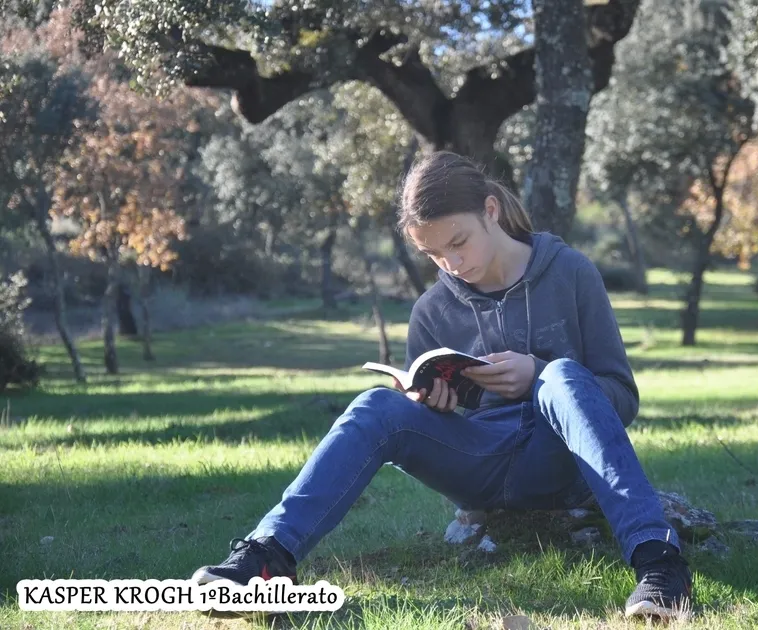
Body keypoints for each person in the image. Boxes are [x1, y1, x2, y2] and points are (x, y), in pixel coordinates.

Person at [191, 151, 692, 619]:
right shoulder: (431, 310)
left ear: (490, 211)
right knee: (375, 406)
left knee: (559, 374)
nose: (451, 263)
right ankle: (265, 558)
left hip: (561, 461)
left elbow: (622, 398)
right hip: (478, 464)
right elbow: (428, 409)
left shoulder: (570, 272)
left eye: (458, 242)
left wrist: (537, 374)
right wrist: (432, 404)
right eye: (433, 253)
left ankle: (659, 566)